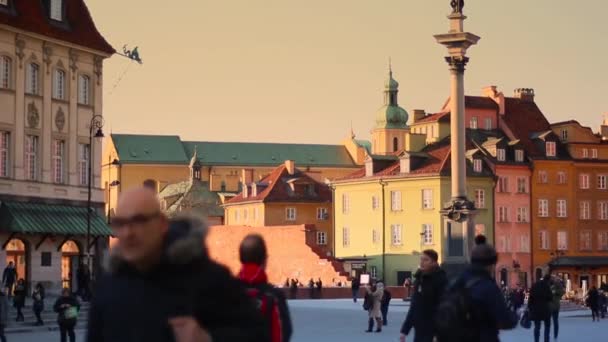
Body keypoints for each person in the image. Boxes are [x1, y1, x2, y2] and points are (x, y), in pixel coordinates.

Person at [86, 187, 268, 342]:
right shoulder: (109, 286)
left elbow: (257, 335)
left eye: (139, 221)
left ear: (162, 224)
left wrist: (208, 338)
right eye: (121, 223)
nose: (128, 232)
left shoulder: (208, 278)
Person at [435, 235, 518, 342]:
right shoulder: (488, 288)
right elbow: (505, 321)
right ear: (491, 264)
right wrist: (515, 316)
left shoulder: (457, 281)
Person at [238, 234, 293, 342]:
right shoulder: (273, 296)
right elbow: (282, 334)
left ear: (240, 258)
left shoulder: (225, 293)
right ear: (265, 259)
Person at [400, 249, 447, 342]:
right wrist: (405, 330)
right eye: (421, 259)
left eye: (426, 260)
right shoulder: (419, 278)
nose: (422, 262)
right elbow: (414, 306)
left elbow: (443, 308)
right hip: (420, 331)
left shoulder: (440, 279)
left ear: (434, 262)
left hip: (433, 332)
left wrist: (438, 333)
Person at [529, 275, 553, 342]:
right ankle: (546, 340)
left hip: (536, 309)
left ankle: (536, 340)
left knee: (537, 327)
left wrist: (530, 308)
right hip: (545, 309)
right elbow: (550, 298)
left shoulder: (534, 285)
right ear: (547, 280)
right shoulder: (547, 286)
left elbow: (530, 299)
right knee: (547, 327)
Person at [548, 277, 565, 341]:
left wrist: (555, 292)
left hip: (555, 306)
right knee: (548, 322)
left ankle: (555, 335)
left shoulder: (557, 285)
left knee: (555, 321)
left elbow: (563, 291)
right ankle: (547, 335)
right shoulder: (546, 285)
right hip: (548, 306)